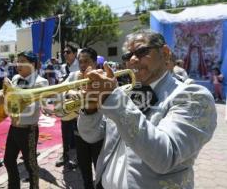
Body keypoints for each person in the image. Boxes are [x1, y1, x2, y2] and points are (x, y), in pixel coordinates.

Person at [77, 30, 217, 189]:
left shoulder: (193, 96)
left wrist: (113, 98)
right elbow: (91, 135)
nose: (133, 60)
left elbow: (165, 157)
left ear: (164, 53)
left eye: (142, 52)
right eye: (128, 56)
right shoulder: (125, 93)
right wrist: (90, 109)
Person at [0, 51, 48, 189]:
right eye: (17, 61)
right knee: (8, 160)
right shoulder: (15, 78)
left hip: (29, 130)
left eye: (22, 61)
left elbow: (31, 107)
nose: (18, 64)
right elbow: (5, 92)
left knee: (30, 164)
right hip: (14, 128)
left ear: (32, 64)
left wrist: (7, 100)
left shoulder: (41, 82)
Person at [64, 47, 103, 189]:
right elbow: (60, 91)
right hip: (79, 130)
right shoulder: (74, 75)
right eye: (80, 62)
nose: (82, 65)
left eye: (86, 61)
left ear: (95, 62)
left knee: (100, 170)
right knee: (84, 170)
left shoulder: (102, 76)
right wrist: (70, 93)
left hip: (99, 131)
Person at [56, 43, 79, 168]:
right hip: (65, 104)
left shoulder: (80, 66)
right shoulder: (63, 67)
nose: (65, 54)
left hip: (77, 104)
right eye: (64, 52)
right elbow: (59, 84)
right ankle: (64, 155)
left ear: (75, 53)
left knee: (77, 132)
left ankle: (77, 156)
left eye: (68, 52)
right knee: (65, 131)